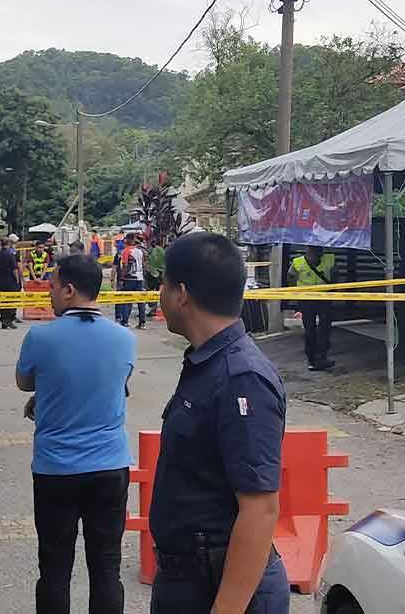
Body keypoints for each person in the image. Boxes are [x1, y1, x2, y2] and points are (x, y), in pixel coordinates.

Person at [150, 232, 288, 614]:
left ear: (181, 293)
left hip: (219, 586)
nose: (159, 294)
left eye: (163, 284)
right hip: (188, 578)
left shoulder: (241, 377)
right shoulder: (207, 363)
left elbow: (260, 509)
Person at [16, 254, 136, 614]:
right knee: (106, 568)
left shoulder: (40, 337)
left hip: (56, 470)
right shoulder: (124, 338)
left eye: (52, 286)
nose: (48, 293)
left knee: (54, 570)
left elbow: (24, 382)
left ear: (69, 290)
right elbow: (117, 381)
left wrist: (45, 392)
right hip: (110, 468)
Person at [287, 246, 337, 371]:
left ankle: (321, 356)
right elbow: (290, 278)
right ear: (307, 251)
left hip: (324, 297)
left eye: (316, 252)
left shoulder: (329, 260)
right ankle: (312, 359)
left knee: (325, 327)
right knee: (310, 329)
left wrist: (333, 292)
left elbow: (335, 276)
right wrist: (297, 295)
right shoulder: (297, 263)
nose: (314, 255)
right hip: (306, 299)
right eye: (311, 252)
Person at [0, 238, 22, 330]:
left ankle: (3, 320)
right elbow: (14, 269)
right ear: (8, 244)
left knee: (3, 300)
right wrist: (17, 280)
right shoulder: (10, 254)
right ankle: (9, 320)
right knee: (11, 300)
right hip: (10, 280)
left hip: (1, 280)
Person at [119, 234, 147, 329]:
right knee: (141, 301)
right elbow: (143, 265)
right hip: (140, 278)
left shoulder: (126, 251)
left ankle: (125, 321)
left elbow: (125, 266)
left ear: (127, 240)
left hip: (129, 278)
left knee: (127, 300)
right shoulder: (140, 251)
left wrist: (121, 278)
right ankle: (142, 323)